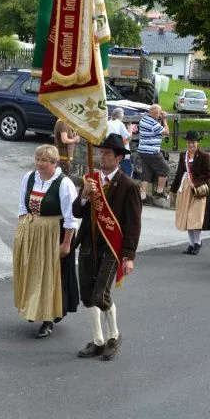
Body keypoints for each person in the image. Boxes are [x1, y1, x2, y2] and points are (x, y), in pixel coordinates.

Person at [73, 134, 142, 361]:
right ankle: (98, 340)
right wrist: (83, 195)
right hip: (87, 244)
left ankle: (113, 335)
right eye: (101, 153)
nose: (102, 157)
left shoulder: (128, 185)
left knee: (101, 294)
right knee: (87, 296)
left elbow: (133, 224)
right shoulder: (91, 180)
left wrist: (129, 255)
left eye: (107, 154)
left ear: (119, 158)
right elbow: (76, 212)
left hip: (112, 248)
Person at [13, 144, 79, 339]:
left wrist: (66, 243)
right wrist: (24, 231)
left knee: (50, 276)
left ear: (55, 163)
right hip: (32, 232)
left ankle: (48, 318)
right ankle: (34, 308)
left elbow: (71, 217)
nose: (40, 164)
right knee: (32, 272)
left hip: (54, 233)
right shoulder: (29, 177)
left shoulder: (63, 183)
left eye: (44, 161)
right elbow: (22, 206)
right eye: (38, 159)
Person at [173, 130, 210, 255]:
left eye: (193, 142)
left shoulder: (203, 156)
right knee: (187, 217)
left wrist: (195, 183)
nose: (191, 145)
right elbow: (179, 173)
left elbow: (208, 174)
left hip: (198, 190)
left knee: (195, 217)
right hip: (185, 188)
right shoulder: (183, 155)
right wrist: (173, 190)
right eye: (189, 142)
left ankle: (198, 242)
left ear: (197, 142)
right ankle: (191, 244)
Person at [137, 104, 171, 201]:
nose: (161, 114)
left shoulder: (144, 119)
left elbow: (155, 129)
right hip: (152, 151)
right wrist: (164, 119)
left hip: (142, 151)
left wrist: (159, 117)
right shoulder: (153, 123)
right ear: (156, 113)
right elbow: (166, 132)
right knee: (165, 169)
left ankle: (142, 196)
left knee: (146, 173)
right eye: (159, 113)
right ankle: (159, 191)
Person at [106, 108, 133, 177]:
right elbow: (128, 137)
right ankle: (126, 186)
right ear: (121, 115)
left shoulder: (108, 123)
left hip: (109, 149)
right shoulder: (120, 124)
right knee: (127, 170)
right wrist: (130, 130)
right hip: (119, 150)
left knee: (113, 169)